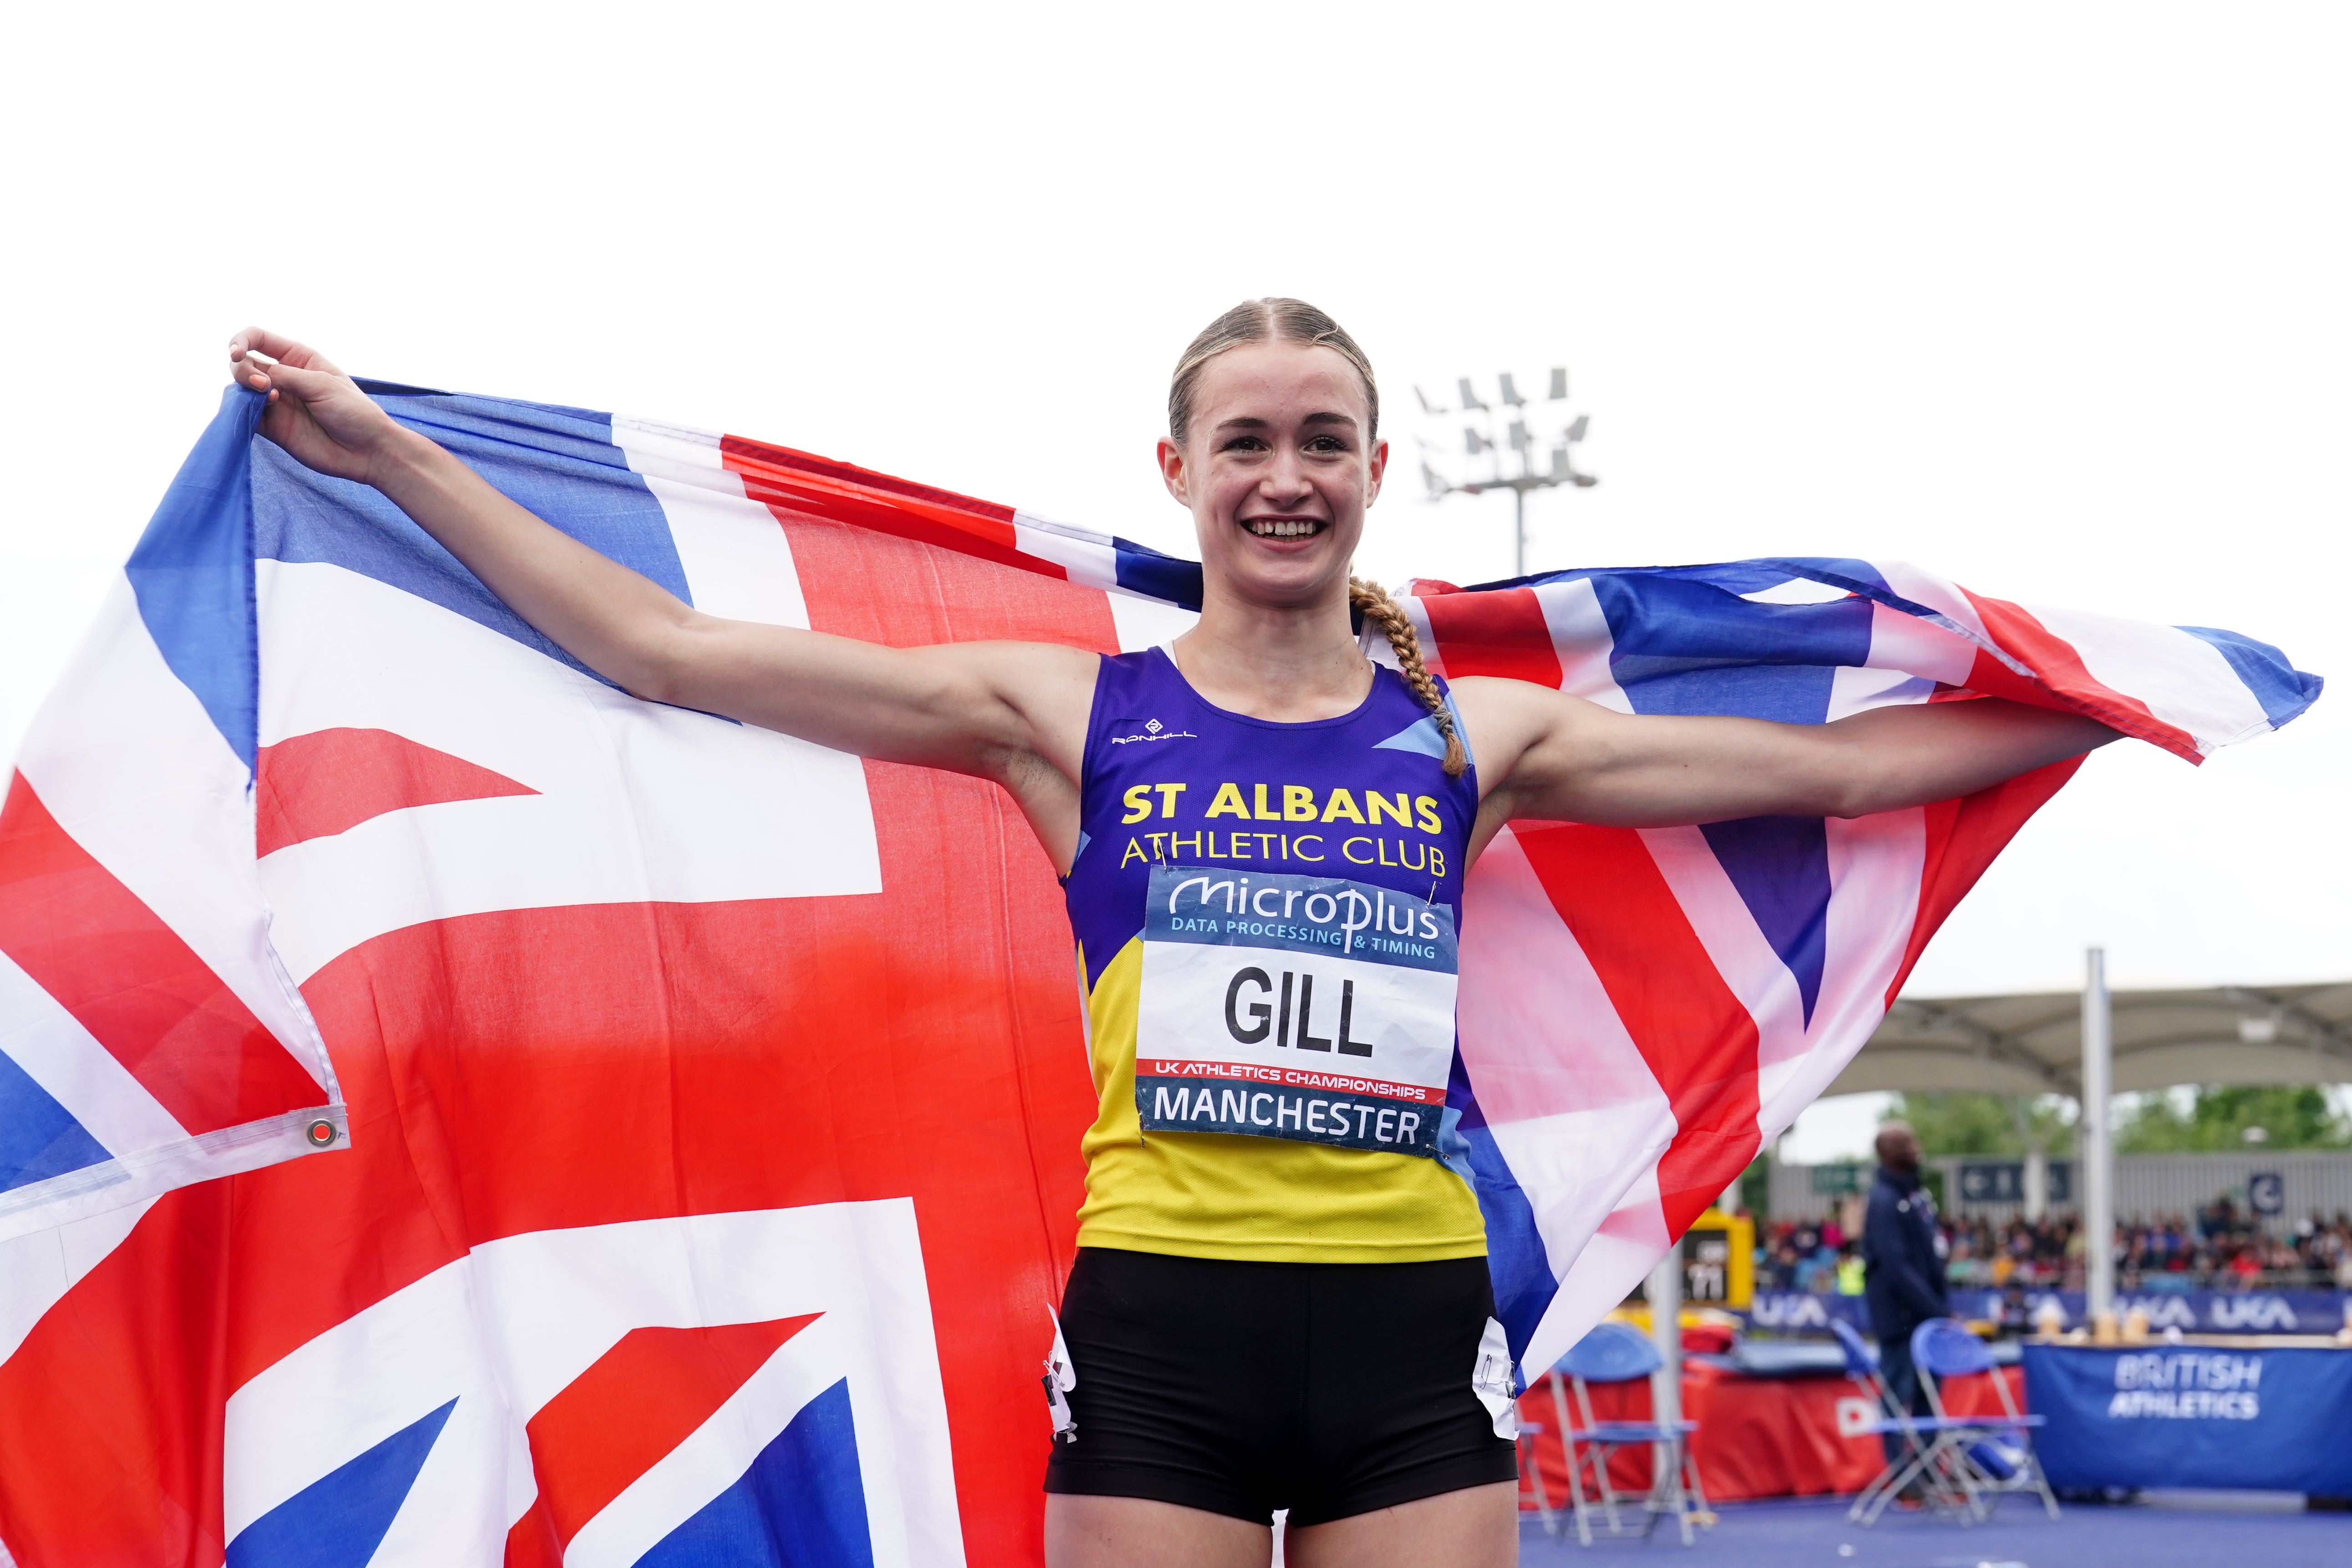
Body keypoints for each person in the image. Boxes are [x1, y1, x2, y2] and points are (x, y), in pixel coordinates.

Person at [224, 300, 2115, 1568]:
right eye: (1244, 442)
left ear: (1374, 470)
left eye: (1320, 440)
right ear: (1177, 474)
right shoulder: (1067, 714)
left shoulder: (1477, 731)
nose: (1282, 474)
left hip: (1406, 1334)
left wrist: (2111, 704)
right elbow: (671, 651)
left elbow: (1831, 775)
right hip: (1158, 1326)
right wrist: (387, 456)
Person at [1861, 1122, 1950, 1470]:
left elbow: (1929, 1257)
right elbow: (1896, 1266)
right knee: (1897, 1396)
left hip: (1927, 1318)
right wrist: (1935, 1307)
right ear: (1888, 1154)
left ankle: (1929, 1471)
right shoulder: (1883, 1202)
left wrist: (1938, 1309)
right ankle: (1901, 1476)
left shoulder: (1915, 1196)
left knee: (1930, 1394)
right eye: (1906, 1143)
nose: (1916, 1148)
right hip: (1900, 1322)